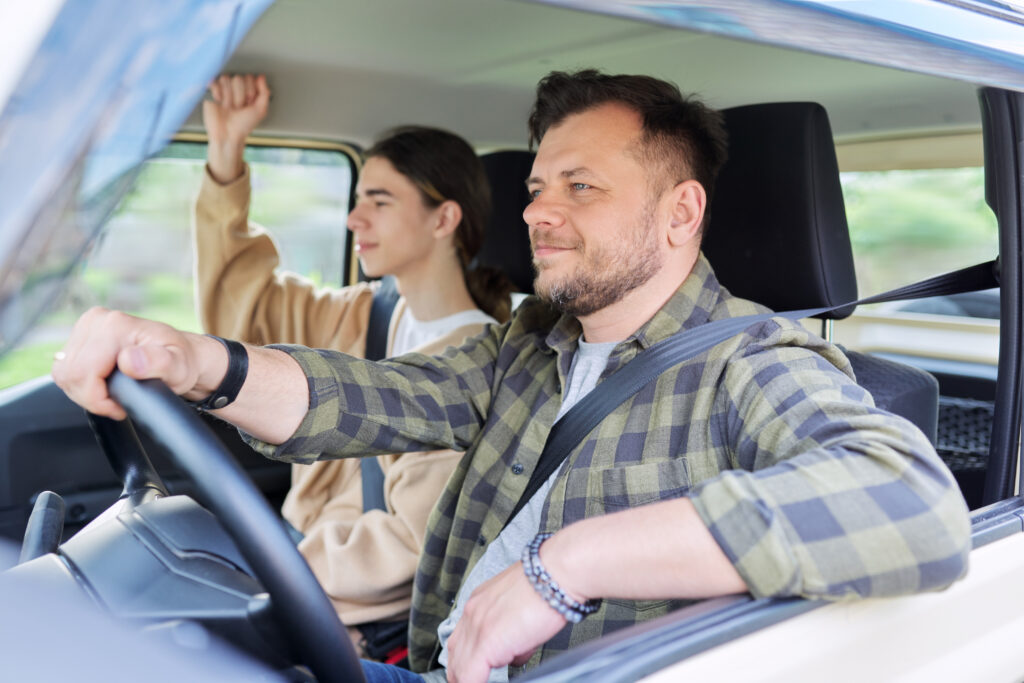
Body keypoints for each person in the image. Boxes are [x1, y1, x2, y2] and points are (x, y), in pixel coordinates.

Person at [53, 69, 972, 683]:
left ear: (681, 212)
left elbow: (909, 503)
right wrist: (193, 361)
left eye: (582, 186)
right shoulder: (530, 342)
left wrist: (564, 567)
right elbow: (369, 397)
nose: (538, 211)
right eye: (537, 187)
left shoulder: (754, 362)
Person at [195, 73, 513, 661]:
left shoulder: (475, 367)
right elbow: (241, 308)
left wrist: (278, 576)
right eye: (356, 197)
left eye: (379, 201)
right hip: (295, 562)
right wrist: (225, 154)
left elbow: (414, 544)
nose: (353, 219)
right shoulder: (361, 312)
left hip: (337, 599)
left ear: (444, 220)